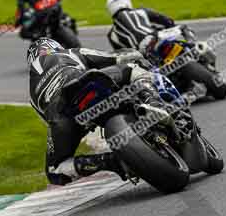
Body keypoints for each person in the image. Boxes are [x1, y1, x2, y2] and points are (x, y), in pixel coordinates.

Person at [27, 38, 175, 186]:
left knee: (54, 171)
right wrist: (140, 54)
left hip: (63, 115)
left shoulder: (32, 92)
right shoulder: (70, 52)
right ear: (55, 46)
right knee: (131, 69)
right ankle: (152, 102)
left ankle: (111, 162)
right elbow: (115, 57)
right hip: (87, 82)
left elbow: (49, 120)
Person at [105, 0, 176, 52]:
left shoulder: (111, 34)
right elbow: (167, 21)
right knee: (181, 31)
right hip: (156, 37)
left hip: (142, 54)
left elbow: (121, 55)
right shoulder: (141, 11)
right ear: (127, 2)